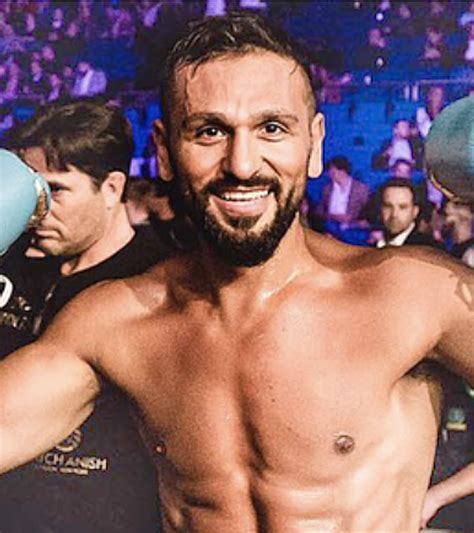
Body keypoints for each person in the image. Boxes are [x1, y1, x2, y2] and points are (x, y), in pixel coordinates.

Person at [1, 13, 474, 532]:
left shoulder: (410, 295)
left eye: (272, 128)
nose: (242, 164)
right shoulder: (116, 322)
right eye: (209, 131)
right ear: (163, 151)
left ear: (314, 143)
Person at [0, 100, 164, 532]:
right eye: (31, 190)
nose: (37, 209)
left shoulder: (157, 282)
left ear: (111, 188)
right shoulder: (12, 263)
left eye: (56, 190)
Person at [373, 179, 440, 248]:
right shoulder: (372, 247)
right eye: (388, 206)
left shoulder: (430, 248)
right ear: (380, 209)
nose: (394, 214)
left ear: (415, 211)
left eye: (402, 207)